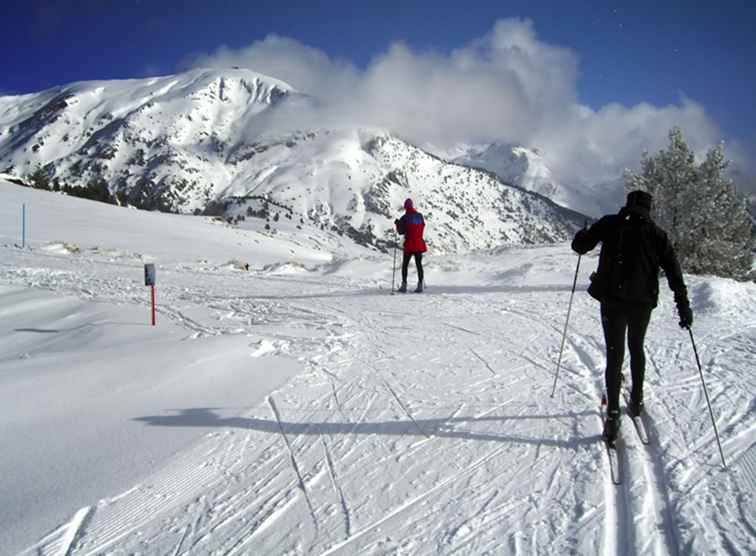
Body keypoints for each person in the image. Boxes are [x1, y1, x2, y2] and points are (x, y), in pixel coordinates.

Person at [571, 190, 693, 443]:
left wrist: (582, 234)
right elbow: (674, 271)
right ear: (649, 208)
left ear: (627, 205)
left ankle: (613, 416)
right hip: (642, 303)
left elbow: (580, 247)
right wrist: (683, 305)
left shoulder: (609, 223)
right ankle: (636, 400)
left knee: (615, 353)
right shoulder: (657, 234)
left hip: (612, 302)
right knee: (636, 346)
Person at [395, 198, 427, 293]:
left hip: (409, 244)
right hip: (419, 244)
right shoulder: (420, 216)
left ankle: (404, 285)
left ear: (405, 207)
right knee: (419, 265)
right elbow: (423, 226)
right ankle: (420, 285)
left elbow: (401, 231)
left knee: (405, 265)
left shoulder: (405, 218)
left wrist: (397, 224)